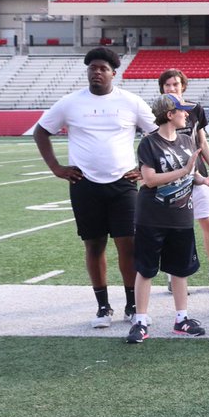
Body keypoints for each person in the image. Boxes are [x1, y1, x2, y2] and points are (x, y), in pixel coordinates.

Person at [34, 46, 157, 328]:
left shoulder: (131, 102)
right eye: (92, 68)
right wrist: (57, 168)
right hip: (84, 183)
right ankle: (103, 307)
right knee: (94, 244)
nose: (97, 72)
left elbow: (157, 135)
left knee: (128, 244)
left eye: (102, 68)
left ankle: (131, 303)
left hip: (123, 184)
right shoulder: (70, 102)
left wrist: (145, 168)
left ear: (113, 73)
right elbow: (41, 131)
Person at [126, 94, 209, 343]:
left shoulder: (187, 140)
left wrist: (205, 179)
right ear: (169, 114)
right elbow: (149, 179)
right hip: (152, 217)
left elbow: (193, 176)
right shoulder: (149, 143)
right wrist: (185, 170)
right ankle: (141, 321)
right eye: (182, 111)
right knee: (146, 270)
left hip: (181, 216)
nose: (187, 115)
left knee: (180, 270)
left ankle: (181, 318)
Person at [158, 69, 209, 292]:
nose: (172, 88)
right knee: (173, 227)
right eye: (167, 85)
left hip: (198, 176)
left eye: (175, 84)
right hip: (172, 179)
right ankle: (172, 274)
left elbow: (202, 142)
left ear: (183, 87)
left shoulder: (195, 109)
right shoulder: (157, 111)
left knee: (207, 221)